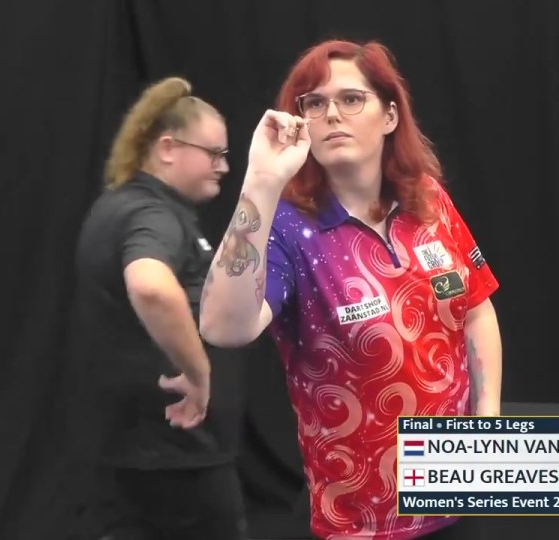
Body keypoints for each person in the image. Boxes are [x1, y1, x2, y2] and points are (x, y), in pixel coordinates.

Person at [200, 40, 503, 539]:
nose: (331, 114)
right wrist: (260, 183)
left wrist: (487, 420)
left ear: (389, 115)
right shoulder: (288, 230)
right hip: (361, 522)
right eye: (314, 104)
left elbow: (475, 309)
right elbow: (221, 328)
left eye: (350, 99)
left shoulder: (427, 200)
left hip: (456, 497)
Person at [73, 76, 247, 540]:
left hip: (135, 451)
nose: (223, 167)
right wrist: (199, 374)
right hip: (175, 457)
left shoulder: (118, 206)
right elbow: (150, 286)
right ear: (168, 148)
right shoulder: (151, 214)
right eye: (214, 154)